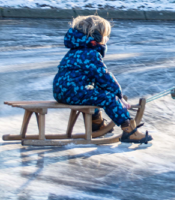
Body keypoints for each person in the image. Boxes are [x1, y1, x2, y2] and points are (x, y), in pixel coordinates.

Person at [53, 15, 152, 144]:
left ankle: (96, 124)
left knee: (95, 92)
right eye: (105, 36)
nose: (107, 39)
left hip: (61, 91)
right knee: (108, 98)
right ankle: (129, 130)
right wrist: (118, 95)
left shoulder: (76, 50)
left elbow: (97, 81)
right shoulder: (91, 54)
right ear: (97, 37)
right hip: (72, 91)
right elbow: (103, 76)